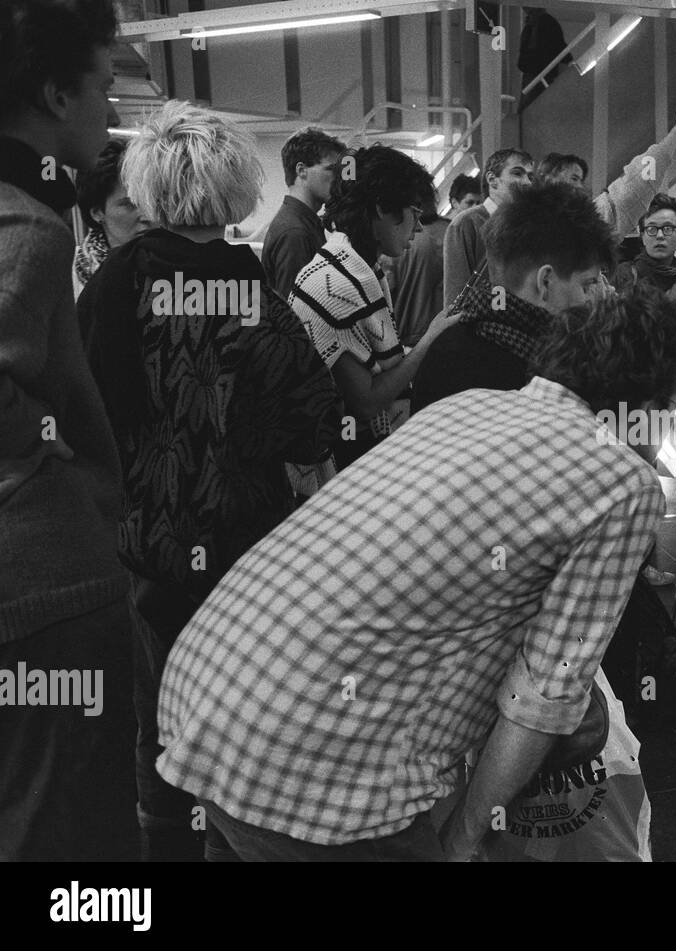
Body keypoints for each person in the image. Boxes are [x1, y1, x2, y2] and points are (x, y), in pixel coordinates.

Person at [154, 285, 676, 861]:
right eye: (673, 407)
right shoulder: (621, 481)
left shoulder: (469, 405)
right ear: (642, 408)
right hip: (313, 765)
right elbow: (543, 696)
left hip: (207, 691)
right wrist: (463, 839)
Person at [78, 99, 343, 861]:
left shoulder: (111, 287)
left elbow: (82, 413)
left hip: (144, 549)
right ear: (234, 187)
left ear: (149, 187)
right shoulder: (253, 291)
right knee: (238, 730)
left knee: (157, 729)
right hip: (246, 555)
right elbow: (312, 426)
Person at [0, 0, 136, 862]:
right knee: (72, 835)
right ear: (55, 94)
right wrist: (55, 475)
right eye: (101, 85)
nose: (111, 109)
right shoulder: (25, 227)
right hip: (44, 587)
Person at [289, 144, 456, 469]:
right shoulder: (337, 282)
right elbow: (365, 402)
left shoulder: (357, 267)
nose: (419, 228)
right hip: (340, 457)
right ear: (382, 208)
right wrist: (432, 337)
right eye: (415, 213)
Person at [413, 179, 610, 411]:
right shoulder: (550, 379)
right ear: (545, 281)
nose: (591, 301)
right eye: (586, 286)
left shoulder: (446, 346)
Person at [535, 100, 676, 239]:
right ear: (547, 178)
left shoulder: (573, 221)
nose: (579, 187)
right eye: (573, 178)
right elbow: (635, 187)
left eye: (580, 180)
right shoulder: (562, 227)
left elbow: (634, 187)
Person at [385, 173, 480, 348]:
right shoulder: (456, 233)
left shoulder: (391, 243)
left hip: (405, 343)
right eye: (470, 202)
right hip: (449, 338)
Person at [442, 147, 533, 309]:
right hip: (478, 327)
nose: (527, 182)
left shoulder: (527, 226)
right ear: (492, 179)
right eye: (517, 173)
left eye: (530, 176)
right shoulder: (465, 224)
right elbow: (456, 295)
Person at [262, 126, 345, 300]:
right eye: (331, 169)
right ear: (301, 171)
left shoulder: (302, 223)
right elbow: (296, 311)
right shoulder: (295, 232)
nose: (339, 178)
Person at [72, 137, 149, 301]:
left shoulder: (179, 269)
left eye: (151, 201)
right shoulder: (67, 279)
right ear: (97, 212)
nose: (148, 215)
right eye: (130, 204)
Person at [614, 192, 676, 303]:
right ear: (643, 237)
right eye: (651, 229)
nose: (660, 236)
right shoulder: (625, 274)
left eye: (668, 229)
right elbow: (658, 317)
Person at [518, 7, 572, 108]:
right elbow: (560, 46)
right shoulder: (539, 24)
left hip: (539, 71)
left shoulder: (544, 23)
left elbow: (556, 46)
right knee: (532, 104)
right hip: (538, 71)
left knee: (530, 105)